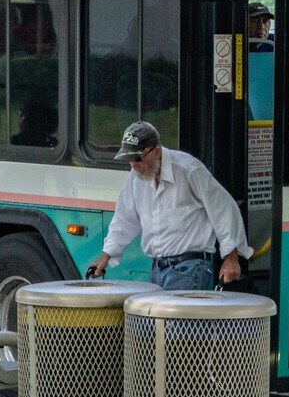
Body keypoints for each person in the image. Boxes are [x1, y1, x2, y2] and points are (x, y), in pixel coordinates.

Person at [86, 120, 249, 291]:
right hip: (157, 269)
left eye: (137, 158)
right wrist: (106, 256)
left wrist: (231, 259)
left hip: (189, 268)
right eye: (129, 159)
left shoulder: (189, 169)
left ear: (156, 152)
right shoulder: (136, 177)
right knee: (154, 318)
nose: (133, 164)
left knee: (172, 319)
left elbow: (225, 209)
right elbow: (124, 219)